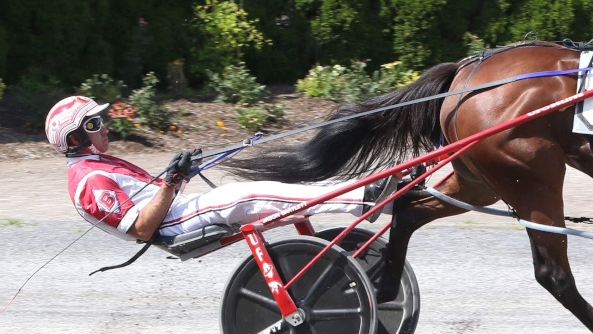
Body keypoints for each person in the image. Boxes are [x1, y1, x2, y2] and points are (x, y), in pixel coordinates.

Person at [45, 95, 395, 242]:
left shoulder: (98, 163)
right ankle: (364, 197)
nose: (104, 127)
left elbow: (151, 199)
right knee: (245, 194)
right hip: (171, 226)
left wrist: (177, 175)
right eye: (93, 125)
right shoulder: (88, 180)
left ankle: (361, 193)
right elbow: (140, 228)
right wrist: (170, 181)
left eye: (99, 121)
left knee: (259, 188)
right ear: (74, 139)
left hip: (176, 212)